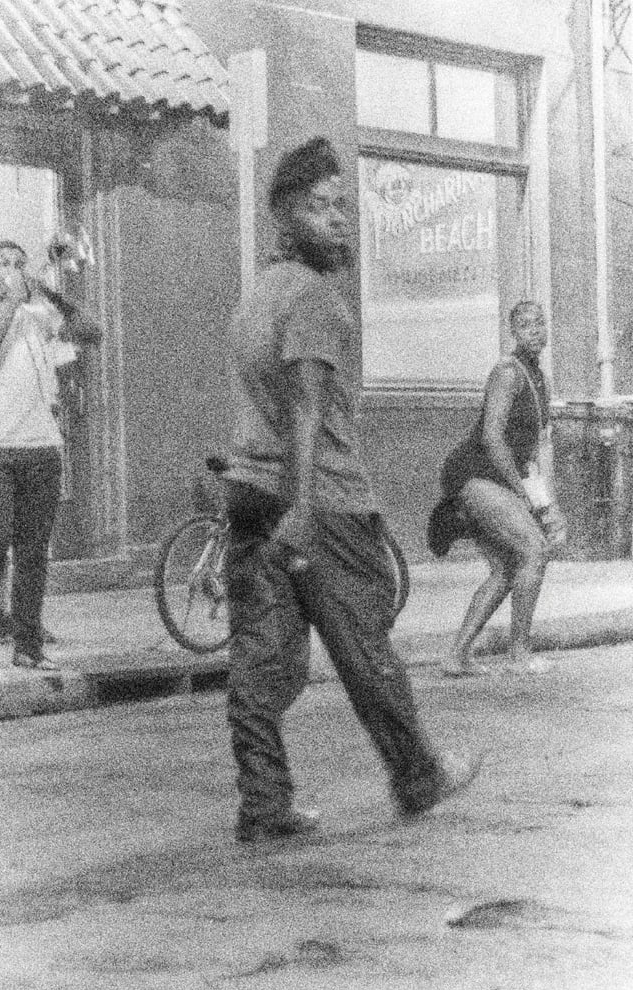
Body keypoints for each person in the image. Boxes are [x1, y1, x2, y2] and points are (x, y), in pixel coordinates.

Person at [224, 137, 480, 845]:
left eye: (342, 205)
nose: (338, 220)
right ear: (284, 216)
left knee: (261, 661)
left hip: (249, 492)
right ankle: (418, 776)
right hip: (322, 503)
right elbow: (307, 410)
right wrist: (305, 510)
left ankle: (264, 803)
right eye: (319, 207)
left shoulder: (257, 296)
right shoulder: (314, 298)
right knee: (364, 650)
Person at [0, 239, 101, 671]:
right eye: (2, 263)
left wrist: (51, 293)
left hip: (41, 447)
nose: (11, 269)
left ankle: (28, 646)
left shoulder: (40, 316)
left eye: (18, 263)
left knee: (33, 551)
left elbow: (92, 332)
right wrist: (12, 305)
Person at [429, 301, 566, 677]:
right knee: (534, 550)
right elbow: (491, 438)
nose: (535, 330)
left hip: (499, 478)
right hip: (476, 474)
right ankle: (519, 652)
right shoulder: (508, 373)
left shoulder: (538, 377)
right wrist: (521, 495)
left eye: (539, 323)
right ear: (513, 332)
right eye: (525, 325)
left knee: (507, 567)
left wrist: (547, 505)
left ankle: (455, 657)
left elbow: (535, 452)